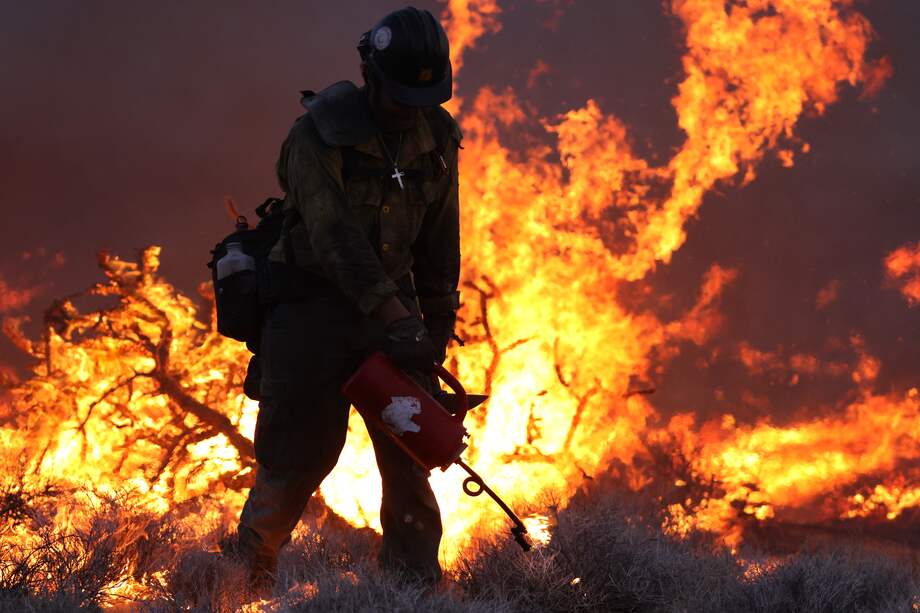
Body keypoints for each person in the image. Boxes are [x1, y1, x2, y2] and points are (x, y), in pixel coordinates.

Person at [231, 6, 462, 590]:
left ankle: (412, 593)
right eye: (399, 97)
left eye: (421, 97)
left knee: (411, 456)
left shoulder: (436, 137)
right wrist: (396, 317)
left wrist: (431, 337)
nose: (409, 111)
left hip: (391, 320)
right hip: (311, 314)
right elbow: (334, 238)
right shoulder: (317, 135)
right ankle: (240, 585)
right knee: (297, 458)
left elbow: (439, 245)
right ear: (371, 77)